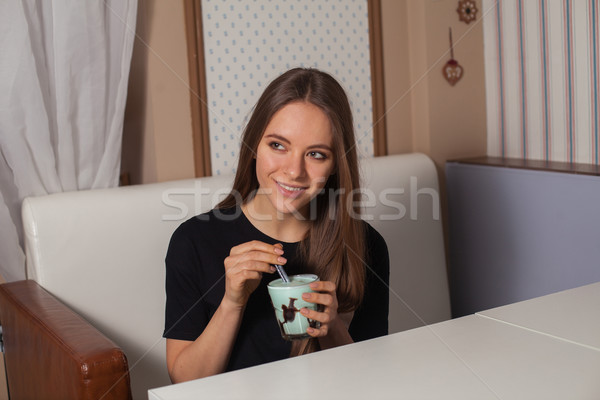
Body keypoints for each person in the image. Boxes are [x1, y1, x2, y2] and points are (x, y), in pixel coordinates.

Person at [163, 67, 389, 383]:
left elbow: (371, 381)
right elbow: (184, 382)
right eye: (278, 145)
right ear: (255, 144)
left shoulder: (366, 246)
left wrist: (332, 326)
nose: (294, 171)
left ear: (337, 164)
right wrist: (232, 302)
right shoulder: (193, 241)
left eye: (316, 154)